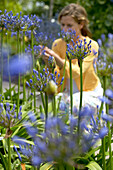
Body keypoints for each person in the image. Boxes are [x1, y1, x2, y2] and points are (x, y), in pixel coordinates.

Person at [42, 3, 103, 111]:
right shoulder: (58, 44)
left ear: (81, 24)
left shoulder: (91, 45)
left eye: (69, 25)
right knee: (52, 105)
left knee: (68, 105)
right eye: (62, 25)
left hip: (89, 93)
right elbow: (55, 78)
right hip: (67, 92)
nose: (65, 29)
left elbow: (78, 72)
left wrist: (57, 59)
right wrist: (49, 63)